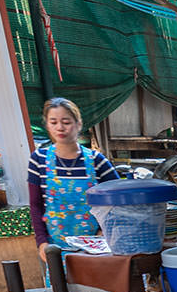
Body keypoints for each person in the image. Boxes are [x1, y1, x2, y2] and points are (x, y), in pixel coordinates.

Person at [28, 97, 121, 250]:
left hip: (95, 248)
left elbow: (119, 201)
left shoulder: (96, 160)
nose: (60, 128)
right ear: (47, 126)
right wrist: (42, 242)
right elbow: (35, 205)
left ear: (79, 124)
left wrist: (104, 231)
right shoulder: (39, 159)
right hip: (55, 249)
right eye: (53, 122)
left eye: (66, 122)